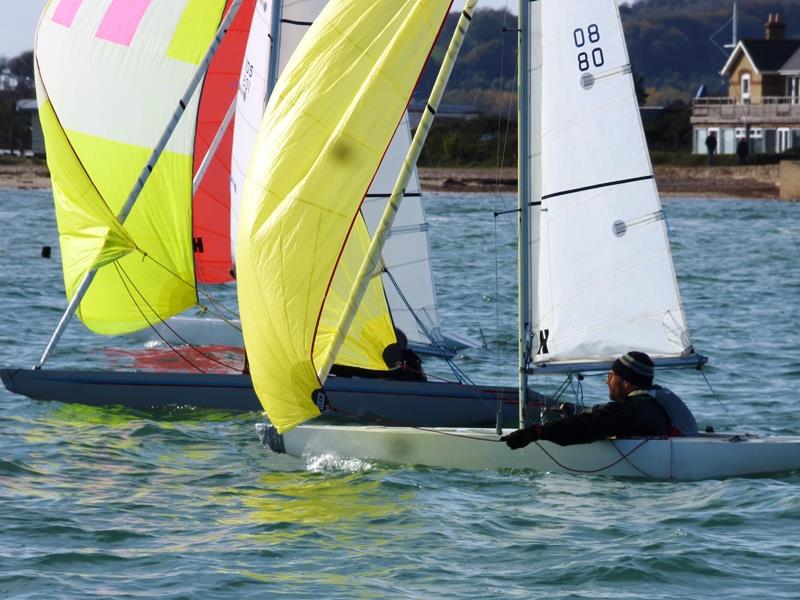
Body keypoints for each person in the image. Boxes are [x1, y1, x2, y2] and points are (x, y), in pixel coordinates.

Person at [502, 351, 698, 449]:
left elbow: (594, 424)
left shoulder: (639, 409)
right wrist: (581, 411)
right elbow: (610, 415)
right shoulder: (656, 400)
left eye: (611, 375)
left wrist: (537, 432)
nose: (607, 381)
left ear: (628, 383)